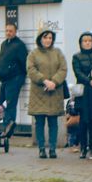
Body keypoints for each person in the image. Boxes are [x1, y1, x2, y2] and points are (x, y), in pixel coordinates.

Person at [27, 26, 68, 159]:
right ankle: (41, 148)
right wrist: (44, 81)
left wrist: (54, 82)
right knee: (39, 122)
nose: (48, 40)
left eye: (50, 38)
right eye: (45, 37)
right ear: (40, 39)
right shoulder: (33, 54)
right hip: (39, 93)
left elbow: (63, 69)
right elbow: (31, 70)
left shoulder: (58, 53)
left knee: (53, 122)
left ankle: (52, 148)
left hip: (54, 93)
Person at [0, 23, 28, 138]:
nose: (8, 33)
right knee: (1, 103)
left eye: (10, 31)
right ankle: (3, 127)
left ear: (15, 32)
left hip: (14, 79)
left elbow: (24, 64)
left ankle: (8, 128)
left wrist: (18, 77)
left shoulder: (19, 45)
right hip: (4, 79)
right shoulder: (4, 44)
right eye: (7, 30)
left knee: (10, 104)